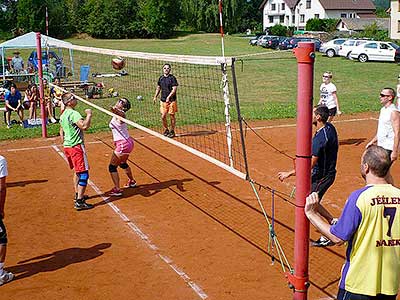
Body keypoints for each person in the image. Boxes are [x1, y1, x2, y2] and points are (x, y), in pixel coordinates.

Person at [305, 145, 400, 300]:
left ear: (366, 167)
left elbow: (337, 238)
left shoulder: (359, 198)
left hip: (359, 284)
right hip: (390, 285)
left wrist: (312, 214)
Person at [278, 105, 338, 247]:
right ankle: (331, 221)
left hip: (323, 176)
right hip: (322, 172)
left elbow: (310, 164)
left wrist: (290, 173)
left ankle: (328, 235)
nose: (309, 115)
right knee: (311, 200)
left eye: (312, 113)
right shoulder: (329, 128)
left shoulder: (320, 139)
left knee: (308, 204)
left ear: (318, 117)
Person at [59, 92, 94, 211]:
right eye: (73, 98)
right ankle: (79, 201)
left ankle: (77, 194)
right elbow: (84, 126)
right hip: (76, 146)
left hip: (67, 146)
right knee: (84, 173)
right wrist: (89, 115)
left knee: (77, 171)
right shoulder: (74, 114)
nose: (76, 99)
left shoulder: (63, 114)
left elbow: (61, 131)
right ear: (69, 102)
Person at [366, 87, 400, 184]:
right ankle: (393, 193)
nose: (380, 97)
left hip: (389, 147)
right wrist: (372, 141)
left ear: (390, 97)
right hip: (382, 146)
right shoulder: (383, 110)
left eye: (382, 95)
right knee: (385, 173)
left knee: (381, 173)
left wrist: (394, 151)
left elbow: (397, 132)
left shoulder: (394, 112)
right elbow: (382, 131)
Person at [108, 98, 137, 196]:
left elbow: (121, 115)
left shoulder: (121, 115)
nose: (118, 101)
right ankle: (132, 181)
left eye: (121, 101)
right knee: (122, 163)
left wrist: (115, 110)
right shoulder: (117, 114)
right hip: (127, 142)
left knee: (112, 167)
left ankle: (117, 189)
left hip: (123, 144)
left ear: (123, 107)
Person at [153, 63, 179, 138]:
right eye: (165, 68)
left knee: (172, 115)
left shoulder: (172, 78)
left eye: (168, 68)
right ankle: (166, 129)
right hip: (163, 100)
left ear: (170, 70)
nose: (166, 69)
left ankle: (172, 131)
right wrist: (155, 97)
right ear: (163, 69)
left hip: (172, 100)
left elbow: (174, 89)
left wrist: (169, 97)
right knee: (163, 115)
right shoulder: (161, 78)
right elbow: (158, 88)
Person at [0, 155, 14, 286]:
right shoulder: (1, 160)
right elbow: (1, 188)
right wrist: (1, 209)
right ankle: (0, 275)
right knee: (1, 239)